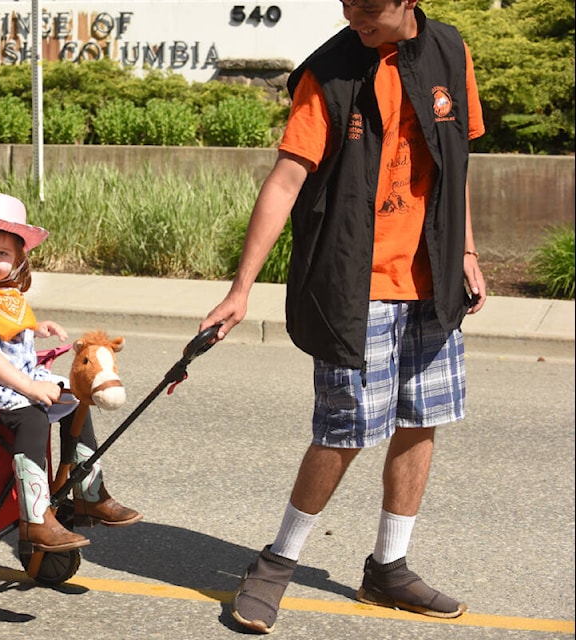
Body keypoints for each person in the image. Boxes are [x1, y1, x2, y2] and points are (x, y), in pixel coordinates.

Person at [199, 0, 487, 634]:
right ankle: (277, 563)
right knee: (345, 429)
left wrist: (465, 248)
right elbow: (285, 179)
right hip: (354, 282)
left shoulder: (450, 51)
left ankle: (389, 566)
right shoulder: (328, 72)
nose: (354, 12)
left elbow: (456, 163)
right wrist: (240, 288)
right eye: (346, 1)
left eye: (370, 4)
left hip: (433, 277)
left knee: (422, 421)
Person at [0, 192, 141, 552]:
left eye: (2, 255)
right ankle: (35, 517)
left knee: (75, 401)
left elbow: (9, 330)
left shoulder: (3, 294)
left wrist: (37, 326)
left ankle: (89, 491)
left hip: (9, 378)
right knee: (33, 418)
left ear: (17, 259)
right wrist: (30, 386)